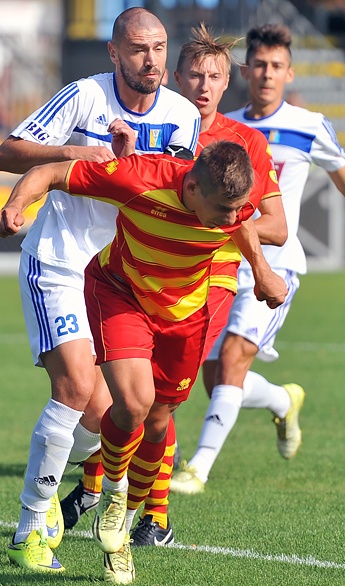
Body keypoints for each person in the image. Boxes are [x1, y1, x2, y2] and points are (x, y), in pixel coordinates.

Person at [0, 142, 288, 585]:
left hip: (185, 314)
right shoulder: (140, 177)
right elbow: (53, 172)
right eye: (223, 210)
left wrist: (262, 271)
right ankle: (114, 500)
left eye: (238, 209)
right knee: (132, 404)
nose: (233, 219)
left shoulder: (230, 203)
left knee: (157, 418)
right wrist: (16, 205)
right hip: (122, 293)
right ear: (191, 187)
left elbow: (242, 224)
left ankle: (124, 524)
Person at [56, 22, 287, 548]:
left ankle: (136, 507)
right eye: (195, 75)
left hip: (211, 280)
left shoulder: (243, 144)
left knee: (160, 402)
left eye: (215, 77)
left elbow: (273, 225)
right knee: (130, 397)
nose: (204, 86)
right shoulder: (169, 127)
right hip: (138, 275)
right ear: (178, 78)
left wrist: (225, 232)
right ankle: (119, 495)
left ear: (229, 82)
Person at [170, 23, 345, 495]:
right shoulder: (225, 129)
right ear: (244, 72)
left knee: (233, 362)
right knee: (214, 375)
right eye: (260, 65)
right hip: (221, 261)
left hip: (277, 263)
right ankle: (283, 400)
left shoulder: (308, 125)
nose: (267, 74)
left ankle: (197, 469)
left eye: (277, 66)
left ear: (290, 72)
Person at [0, 7, 200, 577]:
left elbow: (175, 192)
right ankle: (31, 527)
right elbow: (6, 153)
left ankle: (59, 482)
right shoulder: (83, 98)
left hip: (119, 279)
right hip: (59, 263)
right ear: (114, 53)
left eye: (158, 47)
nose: (151, 59)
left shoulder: (183, 116)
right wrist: (80, 155)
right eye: (137, 48)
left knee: (112, 417)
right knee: (76, 387)